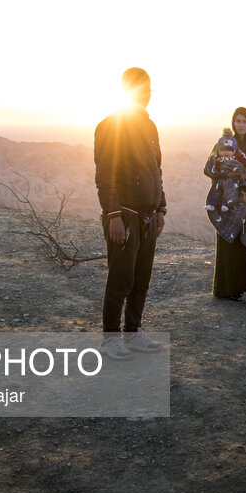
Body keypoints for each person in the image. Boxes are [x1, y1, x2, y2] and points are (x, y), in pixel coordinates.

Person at [93, 67, 167, 360]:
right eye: (139, 89)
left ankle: (133, 331)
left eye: (148, 89)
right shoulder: (111, 125)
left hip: (147, 216)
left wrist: (161, 207)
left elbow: (156, 170)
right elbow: (105, 174)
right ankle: (110, 339)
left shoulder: (150, 127)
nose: (145, 95)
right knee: (121, 278)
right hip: (124, 216)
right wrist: (112, 215)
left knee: (141, 278)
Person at [204, 107, 246, 299]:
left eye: (244, 121)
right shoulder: (223, 143)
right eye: (238, 121)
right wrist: (232, 173)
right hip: (226, 202)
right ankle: (227, 290)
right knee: (228, 244)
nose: (241, 125)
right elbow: (209, 168)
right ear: (233, 123)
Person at [204, 128, 246, 214]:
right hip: (220, 180)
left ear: (234, 150)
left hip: (232, 180)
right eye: (223, 149)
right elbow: (210, 168)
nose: (226, 152)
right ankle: (212, 204)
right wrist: (220, 171)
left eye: (229, 150)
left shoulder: (238, 156)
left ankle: (225, 204)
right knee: (217, 190)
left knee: (228, 190)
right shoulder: (216, 158)